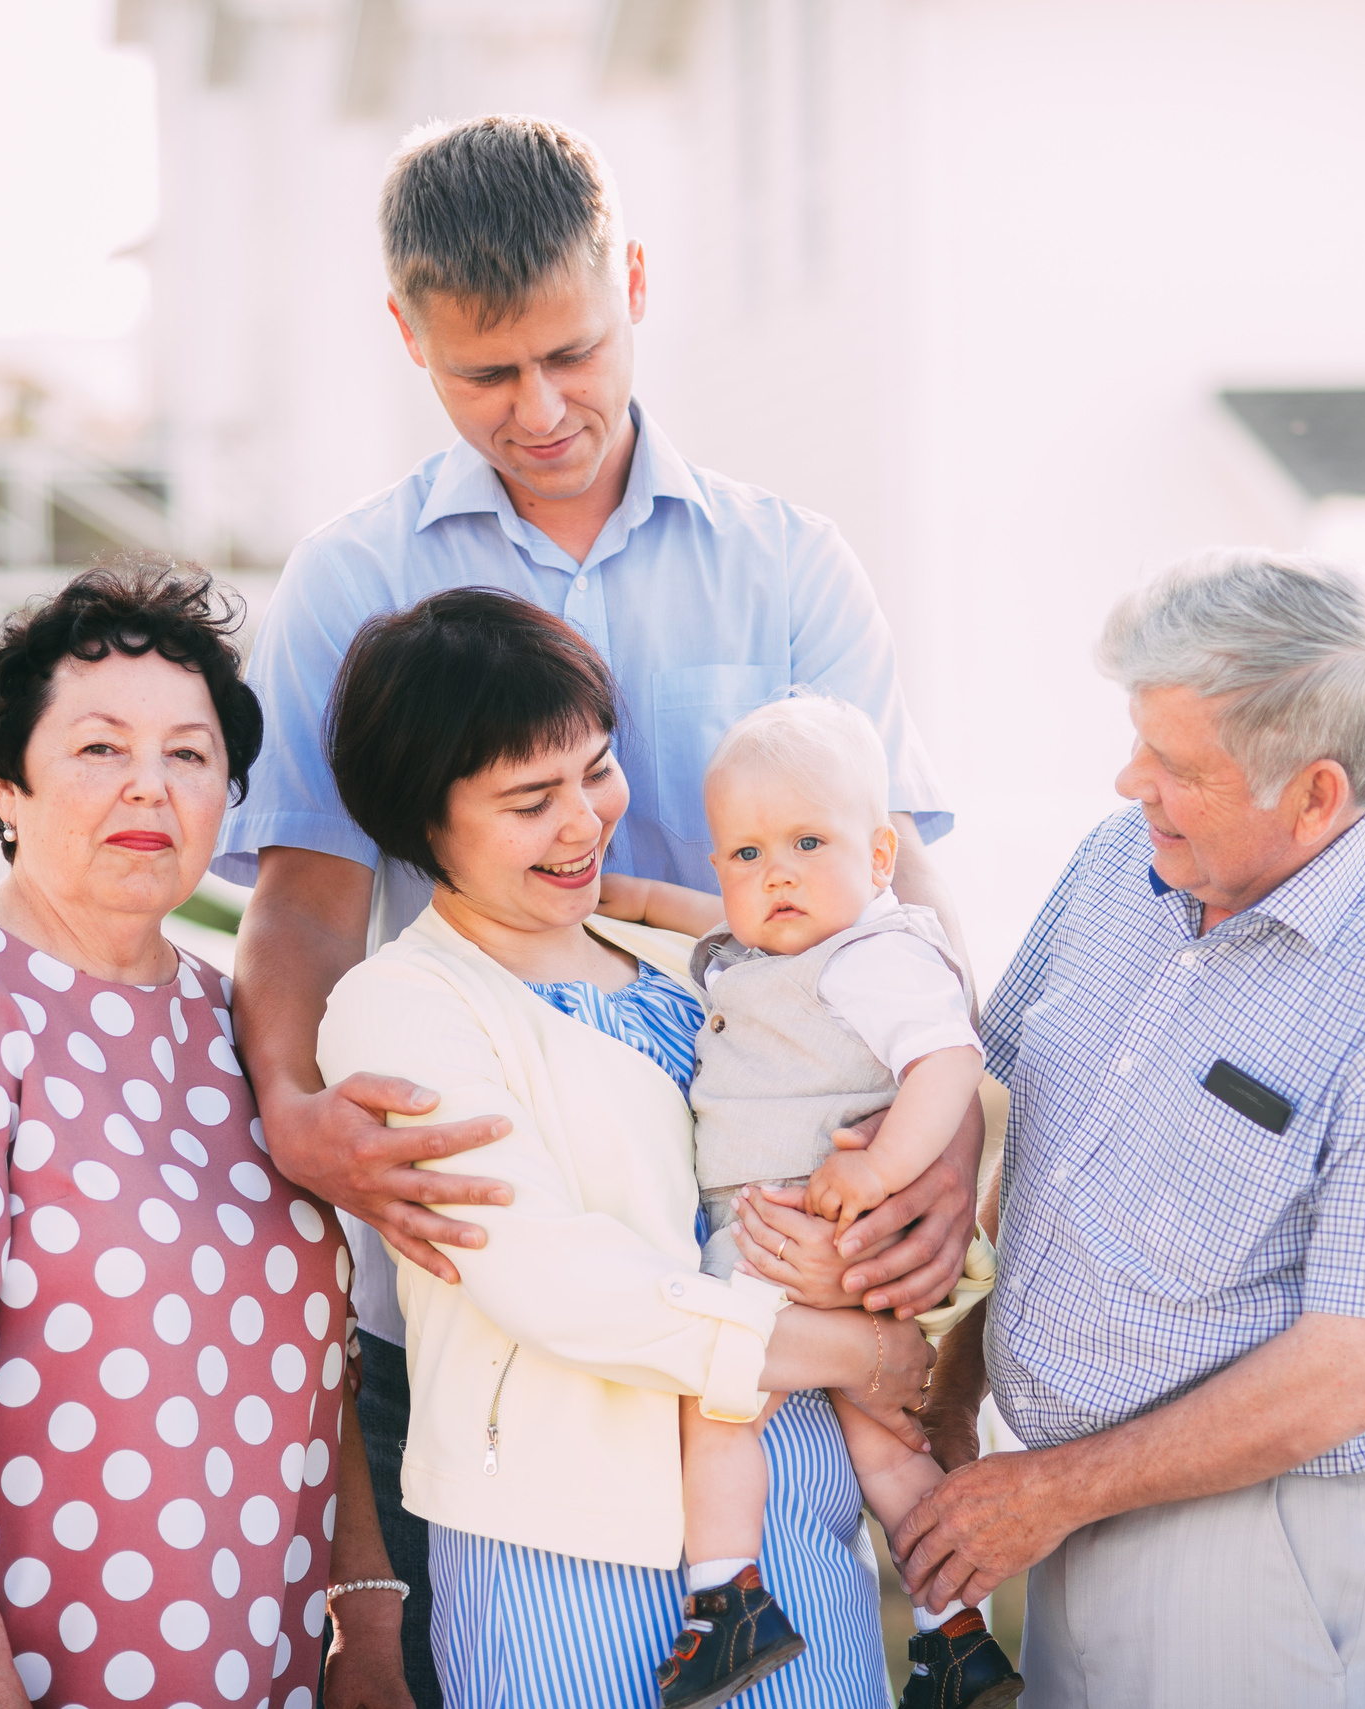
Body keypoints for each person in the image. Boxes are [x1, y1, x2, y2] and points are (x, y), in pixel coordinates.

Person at [217, 114, 982, 1704]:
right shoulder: (349, 577)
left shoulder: (791, 567)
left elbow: (899, 886)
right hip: (490, 1304)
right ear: (406, 337)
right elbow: (299, 897)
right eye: (484, 376)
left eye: (576, 351)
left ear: (634, 282)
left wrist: (956, 1122)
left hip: (773, 1262)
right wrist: (290, 1111)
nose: (542, 411)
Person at [894, 550, 1365, 1708]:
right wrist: (961, 1373)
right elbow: (1033, 1150)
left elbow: (1354, 1374)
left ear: (1315, 796)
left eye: (1176, 765)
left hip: (1252, 1558)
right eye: (1138, 738)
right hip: (1055, 1513)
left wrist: (1055, 1490)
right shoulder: (1120, 863)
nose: (1126, 780)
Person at [0, 561, 407, 1709]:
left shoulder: (239, 1022)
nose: (149, 789)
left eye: (190, 753)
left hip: (261, 1671)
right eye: (100, 748)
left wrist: (366, 1625)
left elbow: (329, 1370)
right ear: (6, 783)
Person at [312, 589, 927, 1708]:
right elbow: (561, 1281)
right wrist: (858, 1353)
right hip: (563, 1535)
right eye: (529, 798)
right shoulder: (400, 1006)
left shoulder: (698, 953)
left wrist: (900, 1246)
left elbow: (879, 1108)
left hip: (784, 1502)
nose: (584, 821)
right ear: (424, 821)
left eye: (595, 769)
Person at [603, 695, 1020, 1709]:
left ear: (880, 855)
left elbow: (949, 1055)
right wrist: (601, 893)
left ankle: (726, 1598)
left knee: (715, 1407)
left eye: (804, 841)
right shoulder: (769, 946)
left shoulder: (874, 956)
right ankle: (955, 1634)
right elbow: (679, 909)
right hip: (805, 1250)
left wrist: (877, 1175)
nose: (774, 872)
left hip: (804, 1242)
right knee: (885, 1446)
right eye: (743, 855)